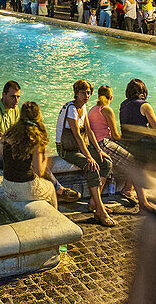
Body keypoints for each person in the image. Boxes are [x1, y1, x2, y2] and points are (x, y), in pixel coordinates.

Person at [54, 80, 115, 227]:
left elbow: (88, 131)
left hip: (78, 147)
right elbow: (77, 136)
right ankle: (100, 211)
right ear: (76, 93)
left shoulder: (84, 107)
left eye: (88, 92)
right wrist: (89, 156)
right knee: (91, 166)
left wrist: (99, 150)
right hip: (66, 149)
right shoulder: (71, 108)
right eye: (83, 92)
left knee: (106, 163)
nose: (86, 95)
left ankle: (95, 202)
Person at [0, 101, 56, 207]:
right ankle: (55, 222)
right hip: (26, 188)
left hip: (8, 186)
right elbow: (39, 171)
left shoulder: (10, 132)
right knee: (50, 188)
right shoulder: (36, 138)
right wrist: (45, 160)